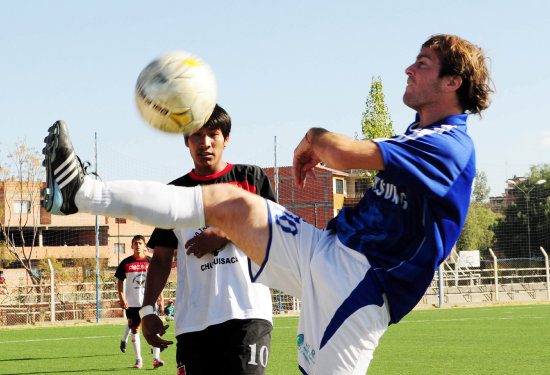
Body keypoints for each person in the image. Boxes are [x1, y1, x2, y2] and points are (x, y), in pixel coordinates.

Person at [41, 34, 493, 374]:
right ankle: (79, 192)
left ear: (452, 81)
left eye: (423, 64)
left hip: (361, 289)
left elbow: (344, 154)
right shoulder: (419, 134)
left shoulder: (449, 145)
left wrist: (314, 138)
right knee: (230, 203)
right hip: (325, 252)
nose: (409, 70)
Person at [143, 104, 274, 374]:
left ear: (226, 139)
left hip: (247, 314)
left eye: (213, 134)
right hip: (193, 322)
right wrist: (146, 311)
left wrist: (225, 233)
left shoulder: (251, 178)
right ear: (186, 142)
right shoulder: (174, 193)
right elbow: (161, 258)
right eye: (196, 136)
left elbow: (275, 227)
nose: (205, 143)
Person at [115, 235, 164, 369]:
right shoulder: (126, 263)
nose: (138, 245)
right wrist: (122, 298)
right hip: (132, 303)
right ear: (131, 246)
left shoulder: (151, 262)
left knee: (153, 329)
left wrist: (161, 299)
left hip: (149, 302)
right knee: (135, 330)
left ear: (144, 246)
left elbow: (157, 281)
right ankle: (138, 359)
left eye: (140, 243)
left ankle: (156, 359)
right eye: (135, 243)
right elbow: (119, 281)